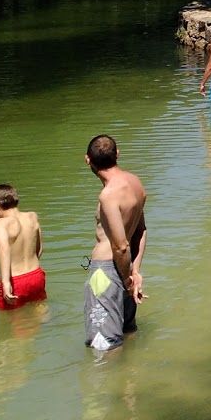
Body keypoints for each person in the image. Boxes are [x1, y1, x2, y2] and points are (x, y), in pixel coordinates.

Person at [84, 134, 147, 353]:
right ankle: (130, 384)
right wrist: (134, 272)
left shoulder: (108, 195)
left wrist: (127, 280)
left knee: (104, 345)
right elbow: (141, 231)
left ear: (87, 160)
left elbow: (120, 246)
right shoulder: (136, 183)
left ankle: (107, 387)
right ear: (118, 154)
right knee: (127, 333)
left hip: (107, 272)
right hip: (126, 269)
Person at [0, 184, 46, 310]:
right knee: (39, 311)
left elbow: (4, 250)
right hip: (36, 275)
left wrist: (6, 282)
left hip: (16, 280)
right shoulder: (32, 217)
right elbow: (39, 250)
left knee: (13, 322)